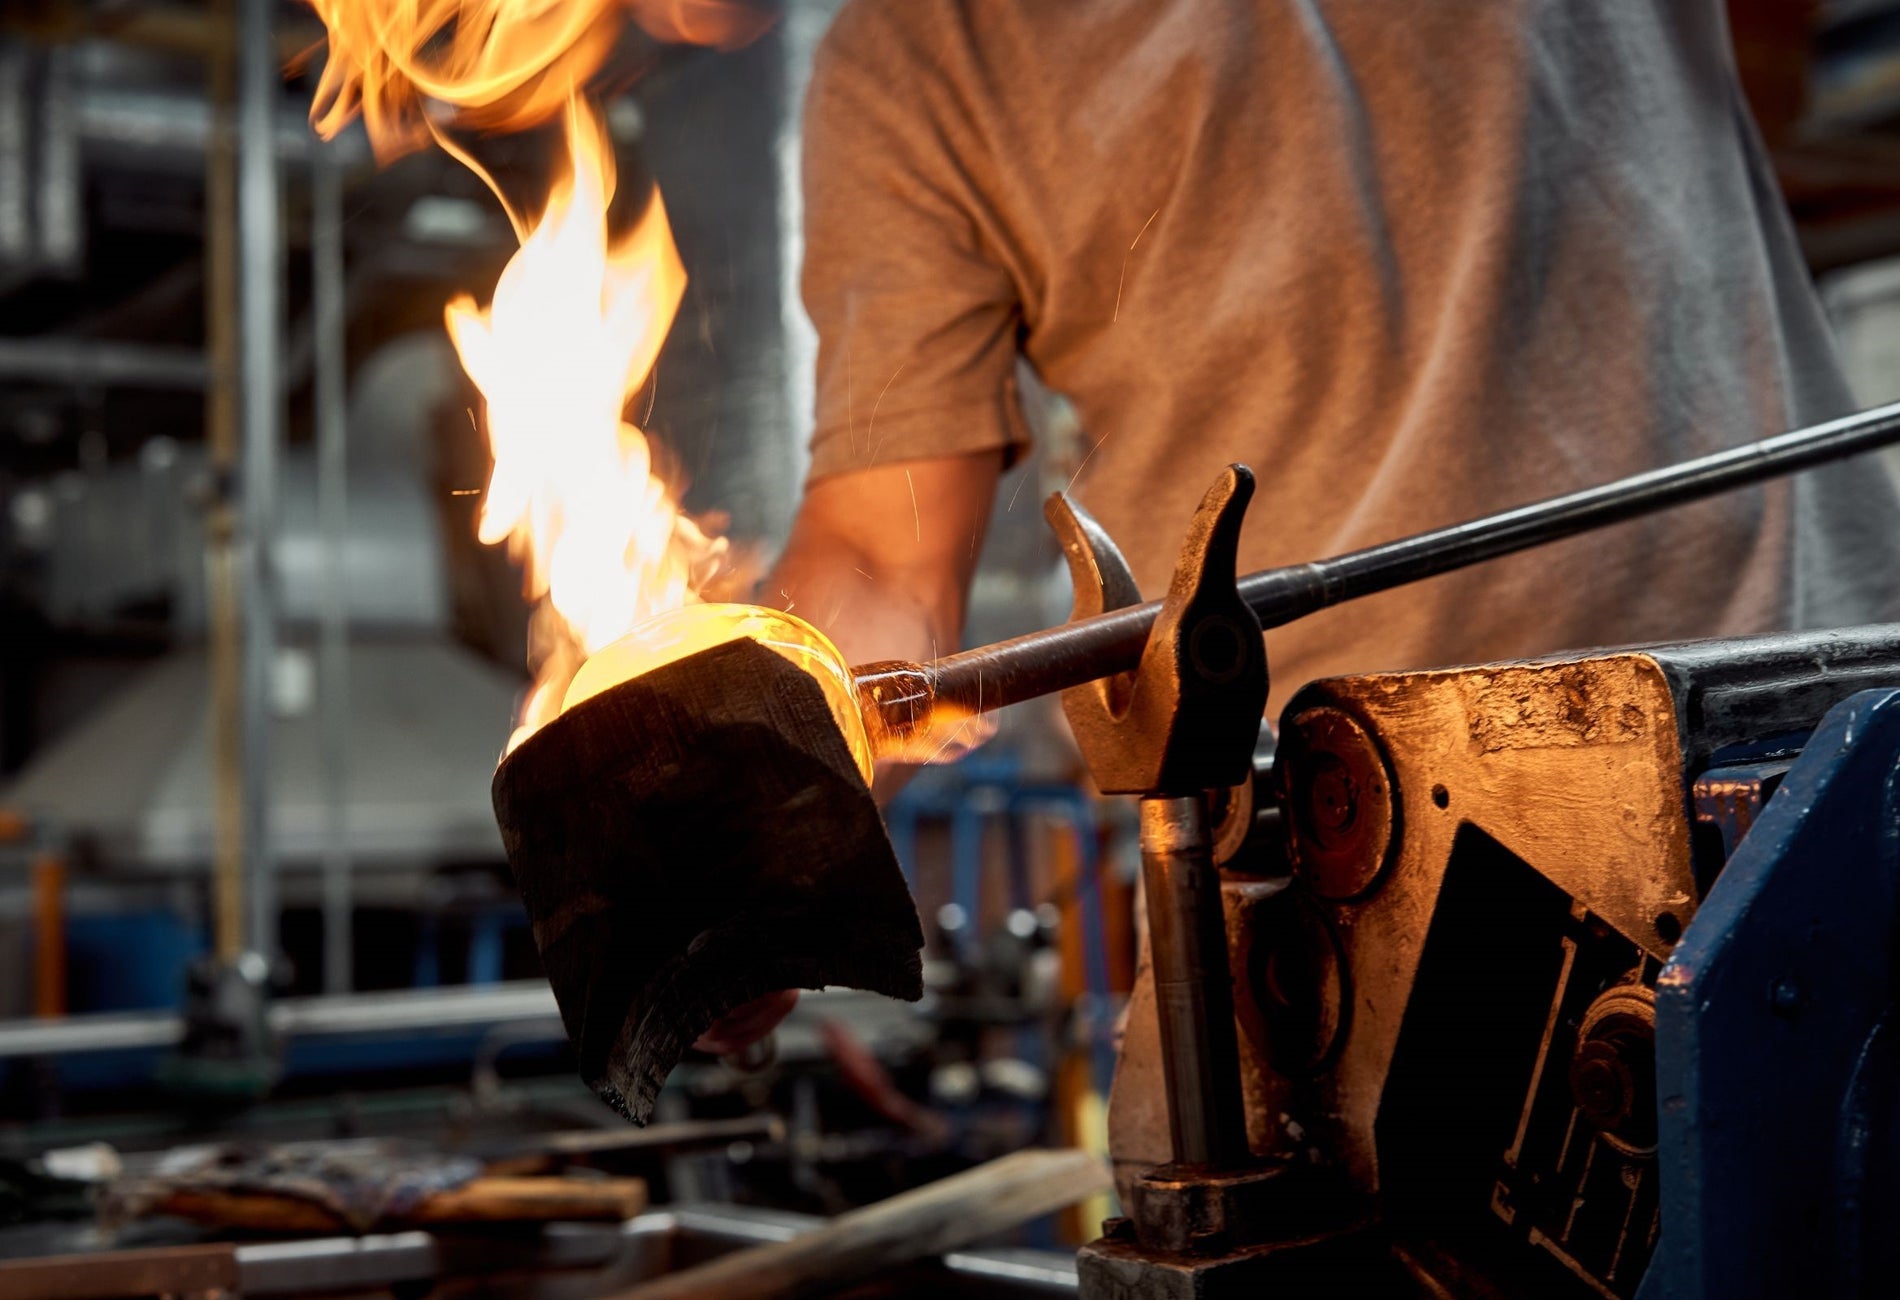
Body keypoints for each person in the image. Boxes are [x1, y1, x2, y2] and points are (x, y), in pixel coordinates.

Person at [695, 0, 1900, 1055]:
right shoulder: (927, 46)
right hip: (1365, 898)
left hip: (1822, 750)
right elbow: (879, 552)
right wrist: (757, 840)